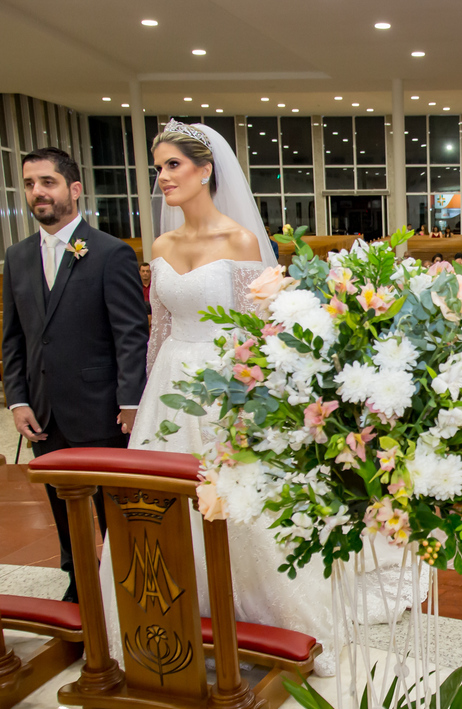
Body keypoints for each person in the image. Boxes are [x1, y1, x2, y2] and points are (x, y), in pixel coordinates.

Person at [106, 120, 417, 678]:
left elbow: (256, 330)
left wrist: (259, 403)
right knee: (161, 500)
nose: (163, 178)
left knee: (240, 504)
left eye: (173, 165)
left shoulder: (240, 241)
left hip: (226, 385)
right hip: (170, 388)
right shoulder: (161, 244)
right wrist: (146, 399)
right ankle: (167, 612)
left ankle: (264, 615)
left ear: (206, 170)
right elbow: (158, 328)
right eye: (158, 168)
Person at [2, 147, 149, 603]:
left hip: (100, 406)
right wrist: (17, 399)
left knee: (112, 505)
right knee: (60, 502)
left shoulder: (110, 253)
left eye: (47, 182)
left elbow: (130, 333)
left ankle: (123, 577)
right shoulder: (17, 256)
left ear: (74, 189)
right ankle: (77, 575)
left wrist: (130, 401)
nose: (37, 193)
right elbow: (15, 336)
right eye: (29, 184)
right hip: (44, 408)